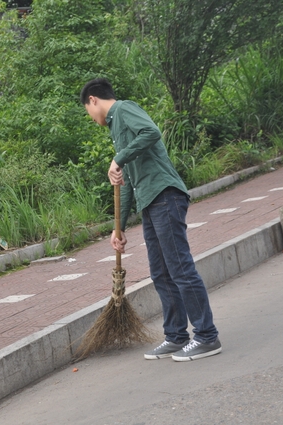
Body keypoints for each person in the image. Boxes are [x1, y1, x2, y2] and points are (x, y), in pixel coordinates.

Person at [80, 78, 221, 362]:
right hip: (150, 203)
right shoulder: (116, 129)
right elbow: (127, 184)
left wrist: (119, 158)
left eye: (88, 111)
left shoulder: (123, 109)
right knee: (161, 272)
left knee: (179, 268)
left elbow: (151, 132)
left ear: (93, 100)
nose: (91, 118)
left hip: (165, 195)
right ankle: (176, 336)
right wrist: (119, 227)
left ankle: (207, 336)